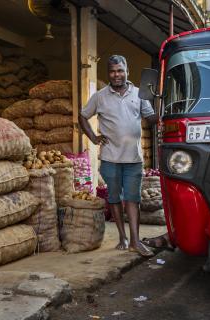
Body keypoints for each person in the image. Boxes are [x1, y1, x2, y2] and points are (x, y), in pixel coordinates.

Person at [78, 55, 157, 257]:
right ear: (108, 73)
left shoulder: (139, 94)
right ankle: (122, 236)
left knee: (133, 199)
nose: (117, 75)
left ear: (127, 72)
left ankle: (135, 241)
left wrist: (161, 103)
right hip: (110, 158)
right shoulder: (100, 96)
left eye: (120, 70)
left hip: (133, 160)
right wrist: (94, 138)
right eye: (113, 71)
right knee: (114, 198)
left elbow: (150, 118)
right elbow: (83, 116)